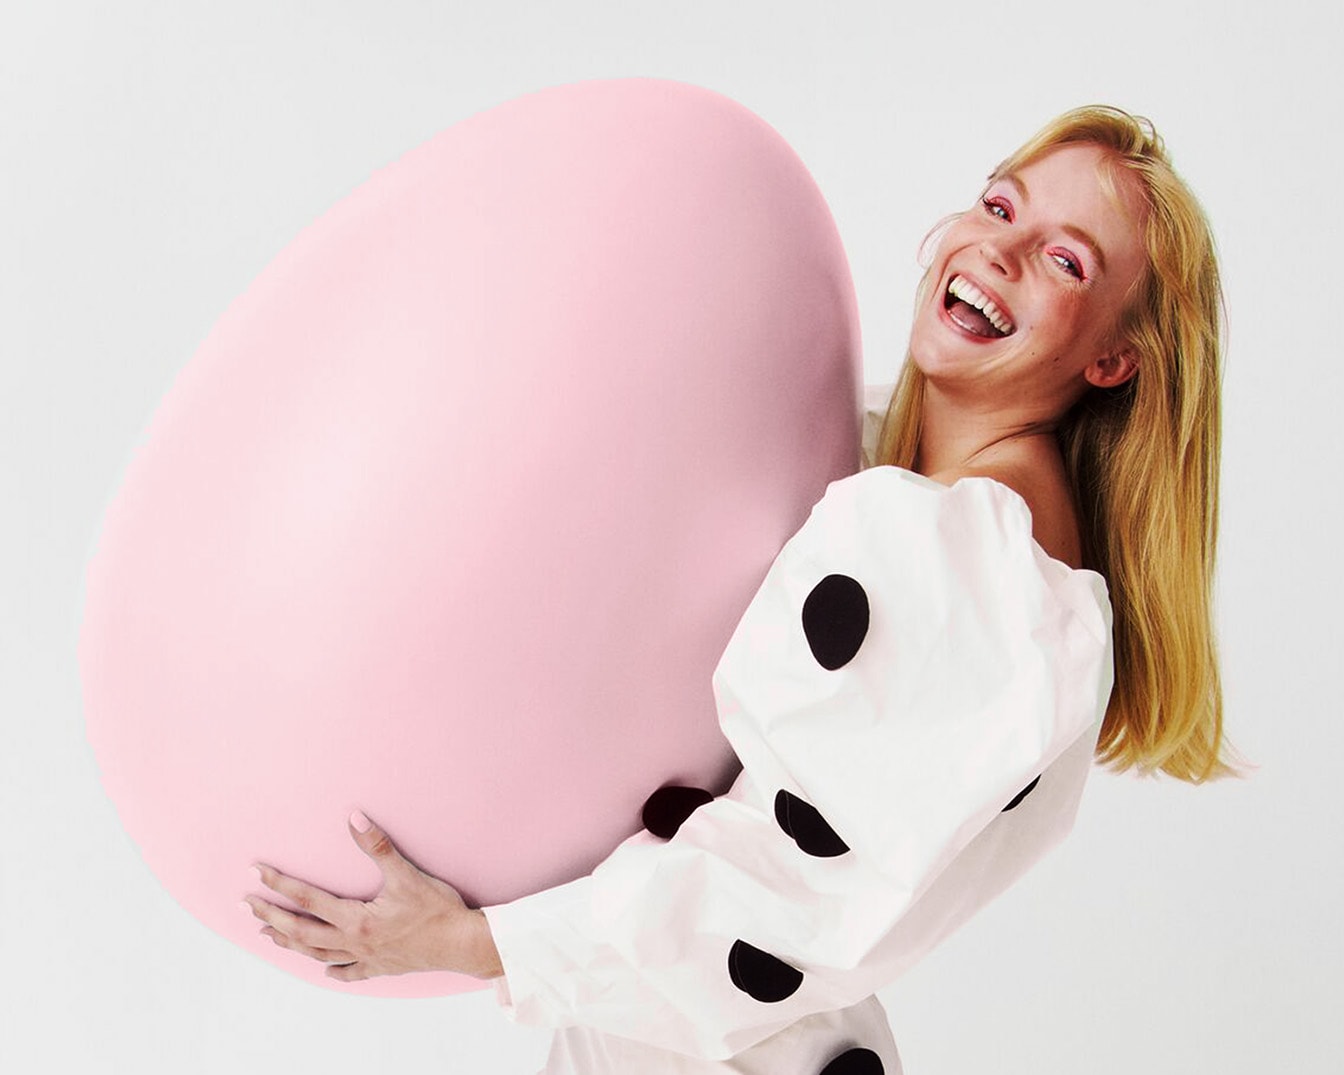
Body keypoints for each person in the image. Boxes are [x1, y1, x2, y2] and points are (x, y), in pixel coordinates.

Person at [244, 105, 1233, 1073]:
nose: (999, 250)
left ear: (1112, 358)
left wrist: (484, 942)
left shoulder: (976, 570)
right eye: (1000, 205)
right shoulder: (878, 465)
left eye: (1068, 261)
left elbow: (793, 897)